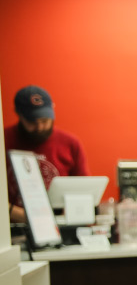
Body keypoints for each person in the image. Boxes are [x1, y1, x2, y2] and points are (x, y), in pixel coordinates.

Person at [5, 85, 89, 223]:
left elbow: (84, 190)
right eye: (32, 122)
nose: (40, 127)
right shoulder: (4, 141)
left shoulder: (70, 143)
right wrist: (26, 217)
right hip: (11, 231)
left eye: (45, 121)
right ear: (18, 114)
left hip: (60, 226)